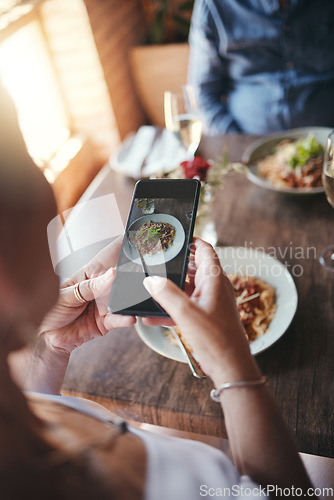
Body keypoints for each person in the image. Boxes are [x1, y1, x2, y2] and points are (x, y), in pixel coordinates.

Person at [0, 84, 313, 499]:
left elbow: (41, 405)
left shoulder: (19, 414)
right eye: (32, 166)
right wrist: (233, 363)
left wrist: (49, 350)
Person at [188, 0, 334, 135]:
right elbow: (203, 93)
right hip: (247, 143)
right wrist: (234, 143)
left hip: (328, 139)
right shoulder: (214, 4)